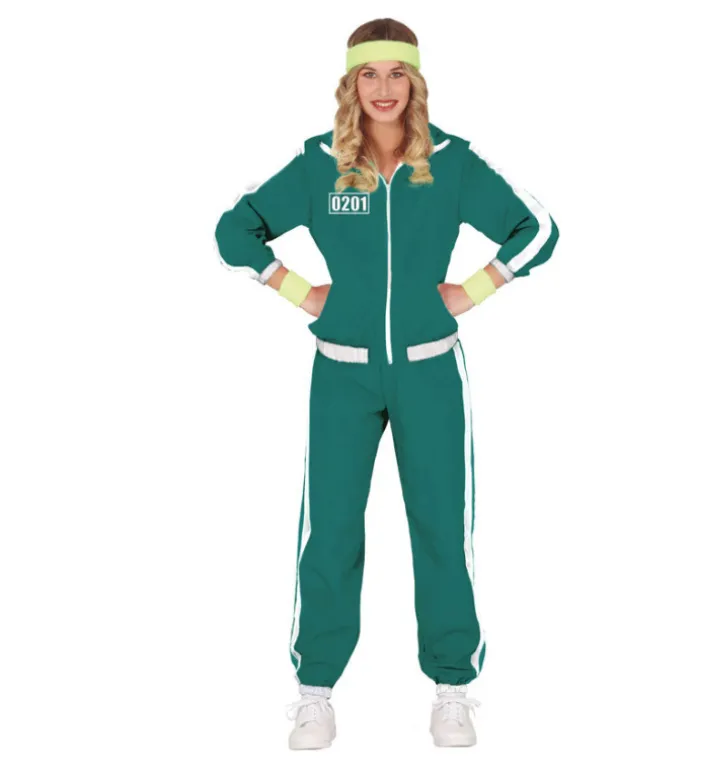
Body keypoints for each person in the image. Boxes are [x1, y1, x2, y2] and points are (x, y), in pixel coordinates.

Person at [214, 18, 560, 750]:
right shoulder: (320, 165)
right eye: (368, 74)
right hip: (341, 373)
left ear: (415, 82)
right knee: (331, 531)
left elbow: (537, 229)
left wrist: (473, 289)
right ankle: (315, 694)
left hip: (431, 370)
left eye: (396, 73)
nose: (382, 89)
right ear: (350, 83)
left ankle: (452, 691)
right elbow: (233, 231)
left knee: (440, 528)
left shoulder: (451, 162)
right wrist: (300, 291)